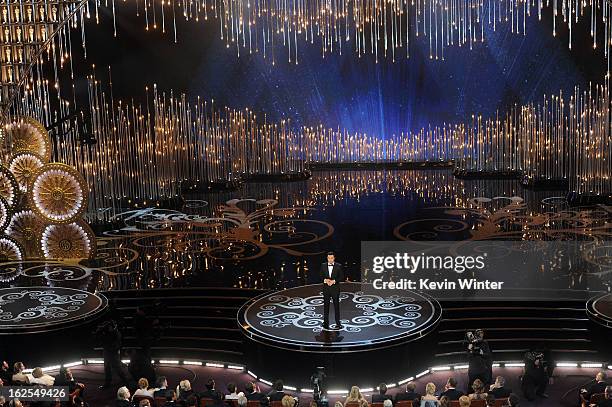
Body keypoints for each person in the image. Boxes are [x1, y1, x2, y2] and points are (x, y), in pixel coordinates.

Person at [97, 320, 130, 389]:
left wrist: (110, 348)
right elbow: (99, 336)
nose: (109, 328)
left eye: (110, 327)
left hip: (113, 353)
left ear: (113, 327)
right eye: (108, 327)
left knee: (118, 369)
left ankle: (127, 383)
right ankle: (107, 384)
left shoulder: (117, 333)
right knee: (107, 368)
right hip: (107, 352)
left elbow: (117, 345)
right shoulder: (106, 331)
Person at [319, 252, 344, 330]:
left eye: (331, 258)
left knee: (336, 306)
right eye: (329, 258)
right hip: (326, 289)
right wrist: (325, 280)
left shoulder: (338, 266)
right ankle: (325, 322)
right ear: (327, 258)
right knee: (326, 306)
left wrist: (334, 281)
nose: (330, 259)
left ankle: (338, 323)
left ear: (334, 258)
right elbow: (320, 276)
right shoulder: (323, 265)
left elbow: (342, 277)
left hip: (335, 289)